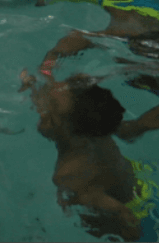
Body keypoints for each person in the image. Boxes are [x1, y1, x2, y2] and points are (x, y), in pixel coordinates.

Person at [19, 64, 159, 241]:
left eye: (50, 110)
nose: (42, 110)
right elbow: (52, 100)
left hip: (134, 218)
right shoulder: (96, 129)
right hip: (141, 185)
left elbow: (122, 214)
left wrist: (131, 230)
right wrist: (30, 83)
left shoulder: (68, 174)